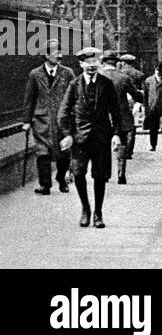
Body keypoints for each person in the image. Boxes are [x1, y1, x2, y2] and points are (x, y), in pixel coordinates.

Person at [57, 47, 122, 228]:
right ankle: (85, 209)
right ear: (81, 64)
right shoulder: (74, 85)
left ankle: (98, 213)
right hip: (79, 139)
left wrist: (116, 134)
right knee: (78, 173)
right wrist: (67, 134)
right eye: (87, 62)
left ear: (100, 63)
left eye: (95, 62)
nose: (91, 66)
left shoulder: (106, 84)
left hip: (101, 138)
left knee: (100, 176)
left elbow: (116, 112)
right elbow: (63, 112)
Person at [22, 46, 74, 195]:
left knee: (64, 153)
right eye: (56, 53)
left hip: (62, 120)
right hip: (42, 120)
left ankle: (61, 178)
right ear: (46, 55)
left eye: (60, 52)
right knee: (42, 152)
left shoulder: (68, 73)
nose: (60, 55)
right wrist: (26, 121)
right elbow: (29, 99)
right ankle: (45, 185)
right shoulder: (35, 74)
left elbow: (74, 95)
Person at [99, 51, 139, 185]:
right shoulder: (123, 78)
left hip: (102, 116)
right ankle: (121, 174)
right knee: (121, 144)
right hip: (122, 116)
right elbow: (136, 95)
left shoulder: (98, 77)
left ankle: (104, 174)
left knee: (103, 145)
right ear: (116, 62)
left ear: (103, 62)